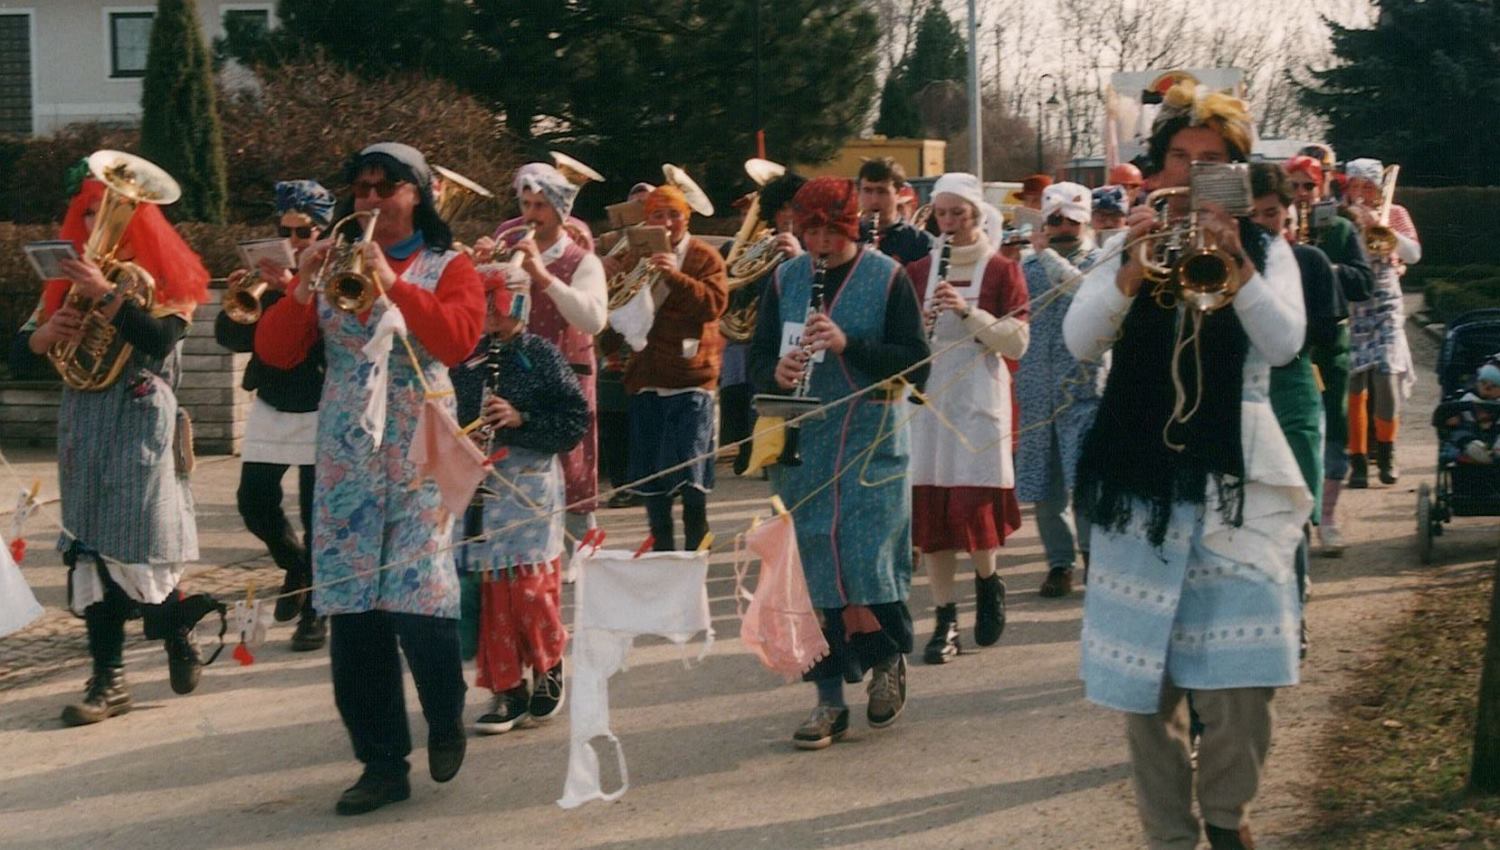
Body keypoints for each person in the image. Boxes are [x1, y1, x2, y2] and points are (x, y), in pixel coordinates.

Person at [1063, 81, 1308, 850]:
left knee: (1248, 677)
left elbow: (1284, 344)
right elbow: (1078, 343)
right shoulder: (1123, 243)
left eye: (1213, 162)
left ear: (1238, 173)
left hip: (1234, 482)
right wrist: (1129, 269)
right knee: (1144, 684)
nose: (1193, 172)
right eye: (1180, 158)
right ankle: (1169, 835)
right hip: (1140, 484)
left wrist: (1234, 261)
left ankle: (1229, 818)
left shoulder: (1270, 251)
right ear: (1159, 165)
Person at [255, 142, 485, 815]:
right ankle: (382, 761)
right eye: (360, 188)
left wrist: (396, 285)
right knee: (353, 611)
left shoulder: (450, 264)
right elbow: (276, 351)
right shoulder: (334, 265)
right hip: (348, 453)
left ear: (418, 194)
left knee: (422, 599)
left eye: (386, 186)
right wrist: (302, 285)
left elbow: (459, 341)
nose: (371, 198)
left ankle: (444, 715)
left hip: (420, 448)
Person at [13, 161, 211, 727]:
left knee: (141, 542)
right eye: (92, 215)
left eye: (113, 214)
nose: (101, 225)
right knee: (91, 548)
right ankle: (109, 680)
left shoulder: (168, 279)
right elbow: (21, 351)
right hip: (85, 419)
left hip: (142, 419)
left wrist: (109, 298)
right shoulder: (71, 281)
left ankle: (175, 628)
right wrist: (48, 335)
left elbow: (159, 337)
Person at [749, 176, 930, 749]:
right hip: (804, 445)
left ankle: (886, 665)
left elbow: (917, 366)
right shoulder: (784, 277)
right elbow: (755, 360)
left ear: (850, 227)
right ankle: (828, 701)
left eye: (831, 230)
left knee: (868, 567)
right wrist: (771, 374)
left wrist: (850, 345)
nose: (820, 242)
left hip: (871, 442)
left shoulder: (888, 277)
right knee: (811, 575)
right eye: (810, 230)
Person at [451, 278, 588, 735]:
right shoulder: (465, 359)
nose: (489, 313)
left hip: (528, 485)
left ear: (520, 306)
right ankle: (505, 688)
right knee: (491, 595)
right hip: (482, 488)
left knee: (528, 589)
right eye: (483, 304)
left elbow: (573, 421)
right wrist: (462, 433)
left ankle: (548, 668)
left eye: (498, 304)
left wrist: (520, 418)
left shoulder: (543, 355)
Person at [906, 172, 1029, 663]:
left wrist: (967, 313)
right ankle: (944, 619)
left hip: (978, 398)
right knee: (932, 514)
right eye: (943, 213)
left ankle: (988, 580)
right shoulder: (918, 271)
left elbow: (1018, 342)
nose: (950, 222)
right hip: (930, 402)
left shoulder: (1001, 270)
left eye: (960, 213)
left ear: (978, 215)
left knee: (971, 508)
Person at [215, 179, 334, 651]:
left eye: (303, 233)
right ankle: (296, 565)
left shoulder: (337, 273)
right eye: (286, 232)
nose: (293, 243)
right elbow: (233, 339)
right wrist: (242, 298)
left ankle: (315, 611)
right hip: (273, 400)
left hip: (320, 402)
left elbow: (333, 340)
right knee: (254, 501)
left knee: (314, 512)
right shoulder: (267, 275)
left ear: (322, 233)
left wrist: (297, 291)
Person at [1248, 162, 1348, 654]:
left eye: (1272, 213)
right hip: (1242, 390)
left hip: (1294, 384)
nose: (1264, 223)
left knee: (1293, 504)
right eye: (1254, 214)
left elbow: (1328, 334)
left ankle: (1296, 610)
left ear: (1288, 213)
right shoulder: (1225, 258)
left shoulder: (1309, 260)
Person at [487, 161, 607, 549]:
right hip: (515, 372)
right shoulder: (511, 250)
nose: (530, 215)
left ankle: (585, 561)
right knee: (517, 461)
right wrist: (483, 271)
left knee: (572, 470)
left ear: (559, 211)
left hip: (565, 375)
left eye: (540, 206)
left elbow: (592, 319)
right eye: (525, 204)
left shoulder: (581, 260)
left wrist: (545, 278)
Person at [604, 184, 727, 551]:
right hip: (646, 379)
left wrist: (674, 275)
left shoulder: (704, 256)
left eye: (674, 215)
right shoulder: (633, 257)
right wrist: (607, 277)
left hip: (692, 381)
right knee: (654, 481)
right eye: (658, 215)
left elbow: (714, 305)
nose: (667, 222)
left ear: (686, 217)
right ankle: (662, 552)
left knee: (691, 480)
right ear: (648, 220)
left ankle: (695, 549)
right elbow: (613, 319)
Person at [1017, 181, 1105, 599]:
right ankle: (1058, 561)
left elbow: (1084, 292)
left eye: (1071, 220)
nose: (1063, 227)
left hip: (1084, 384)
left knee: (1086, 476)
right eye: (1055, 220)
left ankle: (1095, 555)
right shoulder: (1026, 268)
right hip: (1037, 384)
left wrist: (1045, 254)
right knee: (1045, 480)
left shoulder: (1101, 262)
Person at [1283, 153, 1374, 556]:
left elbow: (1364, 281)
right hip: (1287, 346)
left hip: (1329, 347)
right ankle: (1297, 518)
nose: (1302, 194)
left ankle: (1330, 517)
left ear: (1321, 188)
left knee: (1334, 429)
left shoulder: (1340, 228)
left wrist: (1327, 270)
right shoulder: (1276, 228)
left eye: (1309, 186)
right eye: (1295, 186)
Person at [1344, 156, 1421, 489]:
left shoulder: (1397, 213)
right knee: (1355, 385)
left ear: (1378, 189)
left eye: (1368, 186)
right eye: (1355, 185)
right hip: (1353, 304)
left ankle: (1387, 452)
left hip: (1386, 303)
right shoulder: (1340, 214)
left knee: (1386, 378)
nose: (1361, 192)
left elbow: (1414, 254)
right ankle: (1358, 460)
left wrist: (1382, 226)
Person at [722, 172, 806, 473]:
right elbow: (737, 294)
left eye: (794, 207)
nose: (787, 215)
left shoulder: (815, 247)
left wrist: (798, 256)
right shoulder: (761, 245)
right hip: (767, 343)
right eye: (781, 208)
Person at [857, 157, 933, 264]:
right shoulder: (847, 238)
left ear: (898, 193)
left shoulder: (919, 242)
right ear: (859, 192)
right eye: (867, 191)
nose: (874, 200)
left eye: (882, 192)